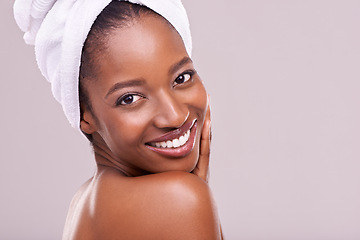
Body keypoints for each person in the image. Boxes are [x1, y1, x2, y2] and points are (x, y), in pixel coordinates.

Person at [14, 0, 223, 239]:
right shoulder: (178, 199)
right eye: (130, 98)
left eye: (181, 77)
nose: (175, 116)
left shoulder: (84, 202)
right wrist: (193, 198)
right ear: (83, 113)